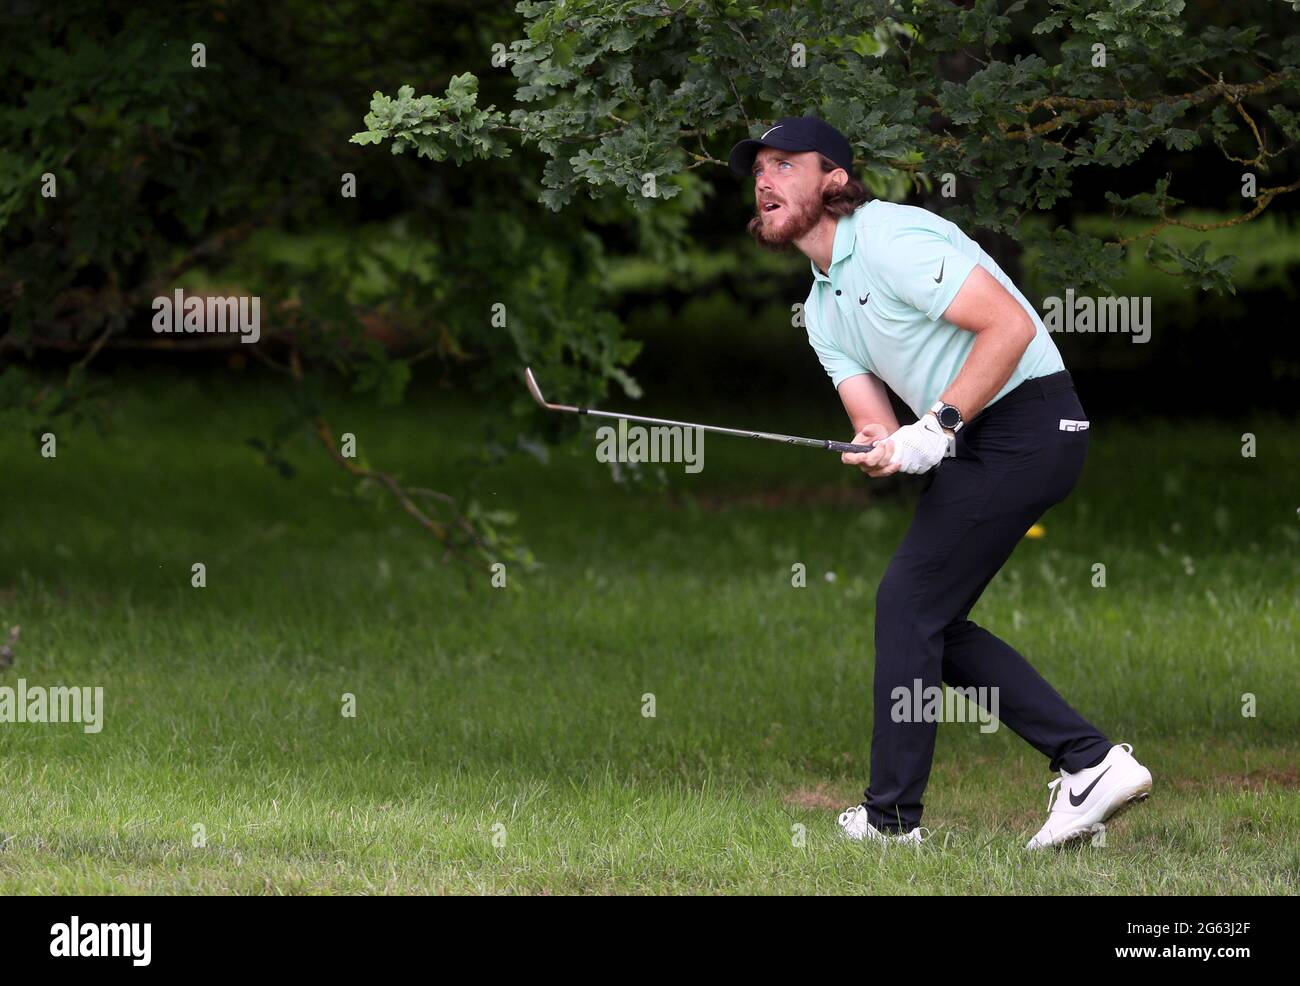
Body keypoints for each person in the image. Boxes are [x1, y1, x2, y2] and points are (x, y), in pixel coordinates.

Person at [729, 117, 1153, 849]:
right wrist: (881, 445)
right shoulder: (823, 305)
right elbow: (871, 419)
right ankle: (1086, 761)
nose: (764, 179)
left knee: (909, 605)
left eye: (785, 164)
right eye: (758, 168)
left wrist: (941, 424)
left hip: (1030, 426)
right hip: (985, 438)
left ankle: (896, 821)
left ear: (834, 179)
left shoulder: (889, 239)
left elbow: (1010, 328)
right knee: (922, 619)